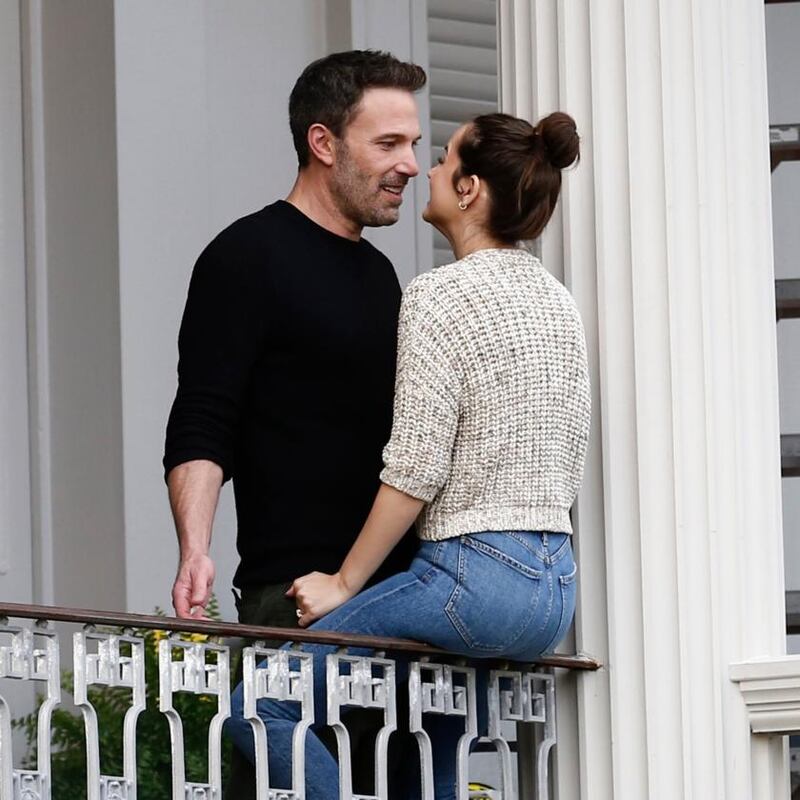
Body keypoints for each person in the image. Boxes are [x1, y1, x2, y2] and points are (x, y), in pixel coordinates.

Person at [226, 110, 591, 799]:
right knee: (424, 747)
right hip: (552, 595)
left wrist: (343, 582)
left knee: (261, 703)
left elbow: (415, 468)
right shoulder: (557, 301)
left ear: (470, 190)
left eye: (445, 159)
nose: (428, 168)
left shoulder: (437, 295)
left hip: (473, 580)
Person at [162, 50, 426, 797]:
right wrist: (194, 548)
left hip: (398, 600)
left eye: (412, 143)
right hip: (299, 602)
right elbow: (203, 417)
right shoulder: (245, 257)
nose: (411, 164)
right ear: (323, 142)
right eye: (388, 144)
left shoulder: (381, 276)